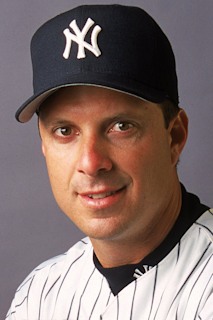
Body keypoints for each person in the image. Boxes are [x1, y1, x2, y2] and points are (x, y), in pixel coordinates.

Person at [6, 4, 212, 320]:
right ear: (43, 144)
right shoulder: (39, 294)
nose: (91, 162)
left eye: (121, 126)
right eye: (64, 130)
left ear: (174, 136)